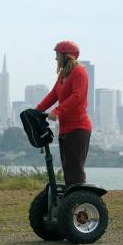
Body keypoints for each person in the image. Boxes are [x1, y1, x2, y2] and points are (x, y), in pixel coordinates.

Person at [36, 41, 92, 186]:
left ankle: (79, 203)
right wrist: (37, 110)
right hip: (65, 129)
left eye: (57, 55)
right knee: (68, 170)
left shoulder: (79, 72)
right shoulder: (63, 75)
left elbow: (77, 96)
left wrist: (57, 111)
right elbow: (53, 95)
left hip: (78, 128)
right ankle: (70, 203)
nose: (55, 59)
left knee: (75, 170)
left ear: (66, 56)